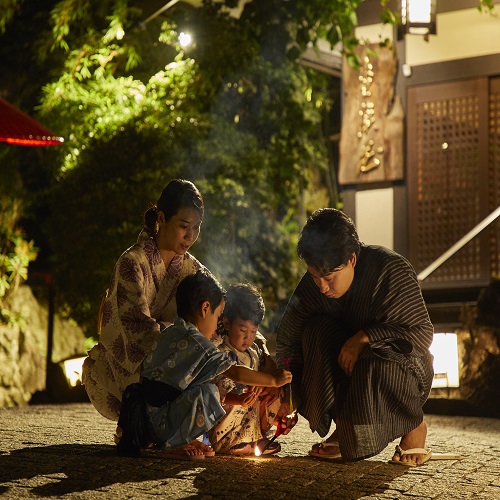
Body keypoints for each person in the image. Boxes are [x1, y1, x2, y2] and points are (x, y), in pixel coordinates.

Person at [275, 208, 435, 466]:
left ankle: (414, 426)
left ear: (351, 259)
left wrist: (365, 337)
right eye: (316, 278)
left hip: (401, 366)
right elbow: (289, 337)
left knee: (377, 356)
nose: (322, 287)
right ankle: (345, 427)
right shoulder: (314, 283)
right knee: (315, 330)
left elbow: (421, 334)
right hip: (348, 366)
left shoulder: (389, 268)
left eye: (329, 278)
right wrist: (287, 393)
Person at [117, 269, 292, 459]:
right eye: (217, 316)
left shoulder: (171, 332)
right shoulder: (198, 344)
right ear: (205, 308)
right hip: (160, 423)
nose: (217, 323)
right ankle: (174, 444)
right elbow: (236, 373)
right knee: (210, 392)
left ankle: (180, 438)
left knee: (205, 386)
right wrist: (273, 380)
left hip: (148, 419)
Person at [82, 179, 206, 423]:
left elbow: (219, 308)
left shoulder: (192, 269)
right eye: (184, 226)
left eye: (197, 227)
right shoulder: (131, 263)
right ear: (161, 218)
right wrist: (187, 348)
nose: (191, 236)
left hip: (177, 356)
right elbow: (138, 331)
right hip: (131, 366)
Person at [209, 283, 282, 455]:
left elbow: (267, 369)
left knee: (271, 393)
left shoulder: (254, 351)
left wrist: (262, 383)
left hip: (250, 413)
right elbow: (222, 390)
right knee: (238, 387)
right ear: (226, 323)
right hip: (227, 408)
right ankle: (229, 442)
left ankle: (256, 437)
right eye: (242, 330)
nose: (247, 338)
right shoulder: (221, 351)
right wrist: (239, 399)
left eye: (253, 331)